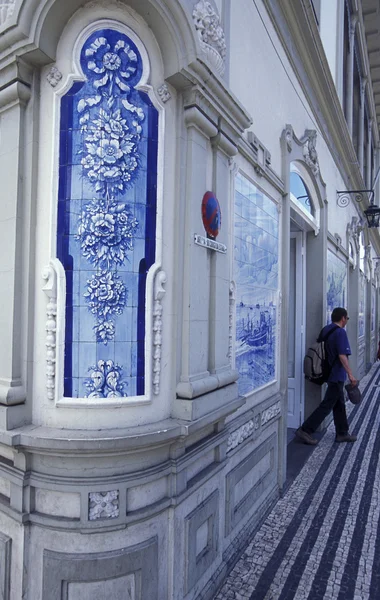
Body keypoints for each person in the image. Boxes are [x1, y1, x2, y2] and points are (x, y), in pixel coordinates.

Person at [296, 307, 358, 445]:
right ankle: (305, 430)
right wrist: (350, 374)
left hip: (329, 373)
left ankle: (342, 433)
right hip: (336, 375)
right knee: (327, 405)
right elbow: (342, 355)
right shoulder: (340, 332)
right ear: (343, 318)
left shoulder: (326, 330)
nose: (346, 321)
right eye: (347, 318)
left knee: (339, 404)